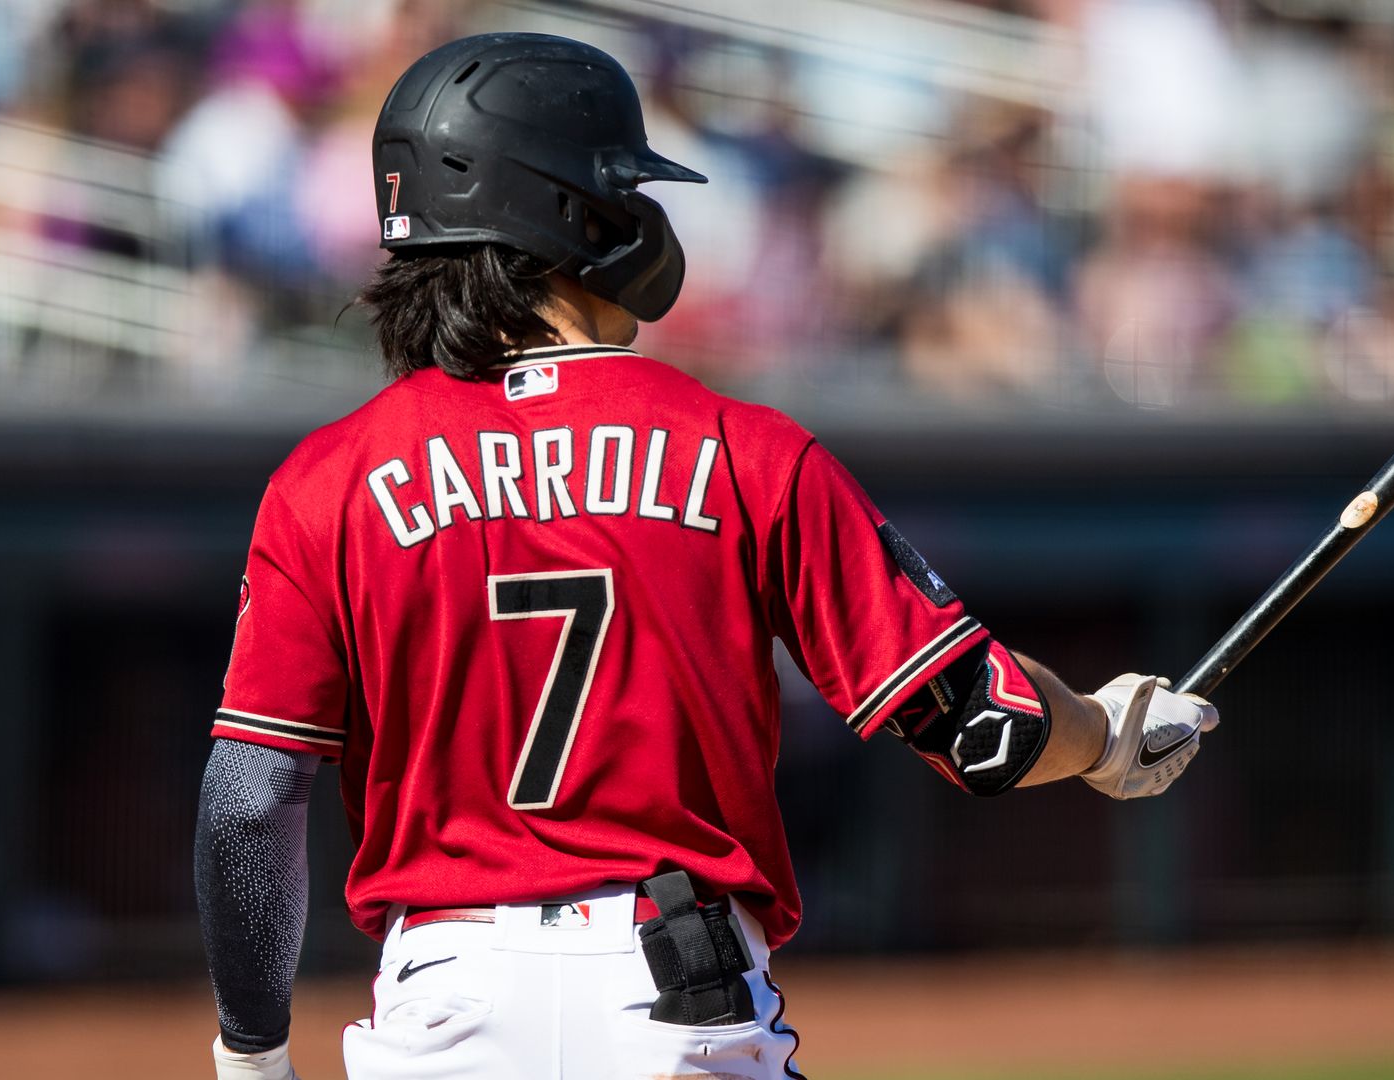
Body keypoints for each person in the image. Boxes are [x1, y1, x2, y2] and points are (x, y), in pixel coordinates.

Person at [193, 33, 1219, 1080]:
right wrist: (1103, 734)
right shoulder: (742, 449)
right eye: (623, 191)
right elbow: (984, 729)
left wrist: (254, 1054)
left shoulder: (325, 481)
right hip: (676, 997)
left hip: (441, 1007)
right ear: (567, 213)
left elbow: (249, 798)